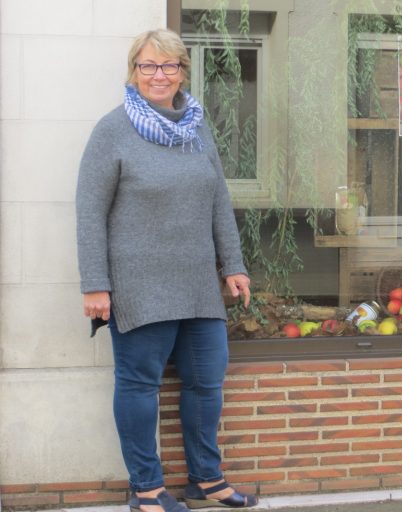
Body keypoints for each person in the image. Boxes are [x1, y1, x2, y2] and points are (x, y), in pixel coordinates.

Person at [76, 29, 257, 512]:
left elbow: (218, 200)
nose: (159, 75)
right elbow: (90, 212)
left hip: (198, 283)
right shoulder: (112, 130)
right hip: (139, 286)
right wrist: (95, 284)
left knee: (207, 381)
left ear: (182, 71)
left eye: (169, 65)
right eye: (149, 66)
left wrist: (233, 264)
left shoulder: (198, 128)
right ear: (133, 71)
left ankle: (206, 480)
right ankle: (147, 490)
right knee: (139, 385)